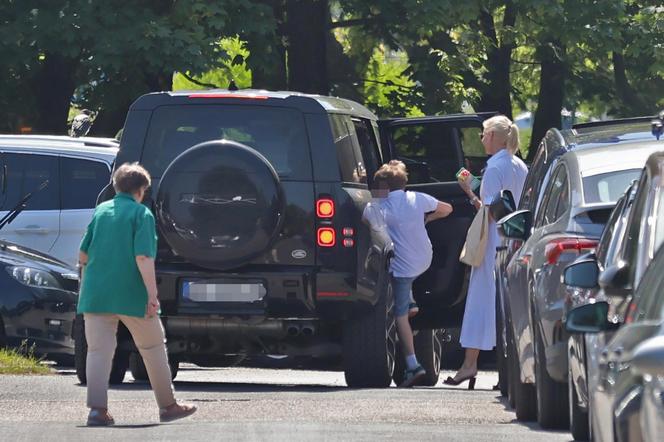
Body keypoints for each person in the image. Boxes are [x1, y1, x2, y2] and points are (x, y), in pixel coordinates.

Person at [78, 162, 197, 426]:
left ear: (116, 186)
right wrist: (152, 296)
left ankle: (97, 410)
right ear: (141, 190)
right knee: (153, 347)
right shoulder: (141, 215)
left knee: (98, 351)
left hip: (96, 294)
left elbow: (83, 254)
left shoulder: (101, 211)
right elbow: (142, 257)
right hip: (131, 294)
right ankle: (168, 406)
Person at [445, 115, 528, 389]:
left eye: (483, 134)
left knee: (480, 303)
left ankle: (470, 364)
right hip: (515, 242)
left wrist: (469, 192)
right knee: (508, 306)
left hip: (492, 243)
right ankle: (507, 370)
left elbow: (490, 211)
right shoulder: (520, 166)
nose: (481, 139)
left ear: (493, 136)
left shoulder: (493, 169)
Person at [366, 163, 453, 387]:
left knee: (400, 315)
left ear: (381, 187)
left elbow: (368, 222)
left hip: (403, 269)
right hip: (425, 259)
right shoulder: (417, 197)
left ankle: (413, 364)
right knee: (407, 278)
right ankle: (412, 300)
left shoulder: (380, 207)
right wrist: (426, 219)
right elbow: (447, 209)